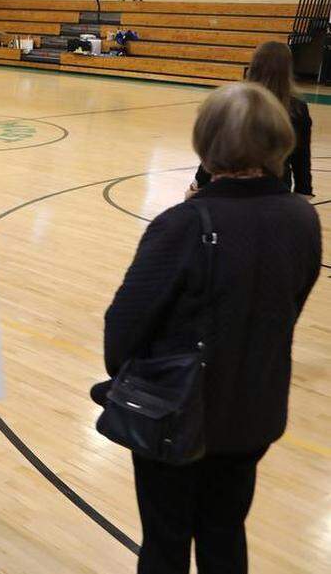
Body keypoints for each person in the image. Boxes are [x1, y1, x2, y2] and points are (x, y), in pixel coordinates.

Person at [103, 82, 321, 574]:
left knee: (167, 542)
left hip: (179, 414)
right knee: (225, 535)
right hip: (254, 412)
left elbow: (121, 332)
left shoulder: (183, 224)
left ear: (207, 142)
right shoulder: (301, 218)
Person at [191, 41, 314, 197]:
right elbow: (301, 156)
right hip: (276, 187)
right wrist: (304, 190)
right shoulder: (297, 108)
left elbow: (218, 145)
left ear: (254, 64)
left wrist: (199, 183)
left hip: (232, 184)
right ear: (287, 69)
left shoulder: (236, 99)